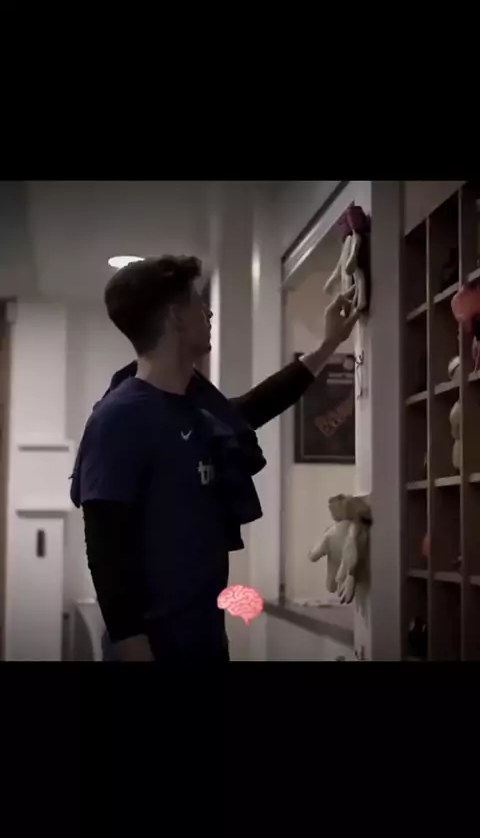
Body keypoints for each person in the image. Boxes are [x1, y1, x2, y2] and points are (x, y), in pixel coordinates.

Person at [71, 256, 359, 662]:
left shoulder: (196, 407)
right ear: (177, 317)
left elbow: (254, 406)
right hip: (154, 649)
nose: (208, 313)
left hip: (206, 640)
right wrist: (132, 646)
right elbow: (105, 547)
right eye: (197, 302)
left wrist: (328, 344)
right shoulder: (118, 418)